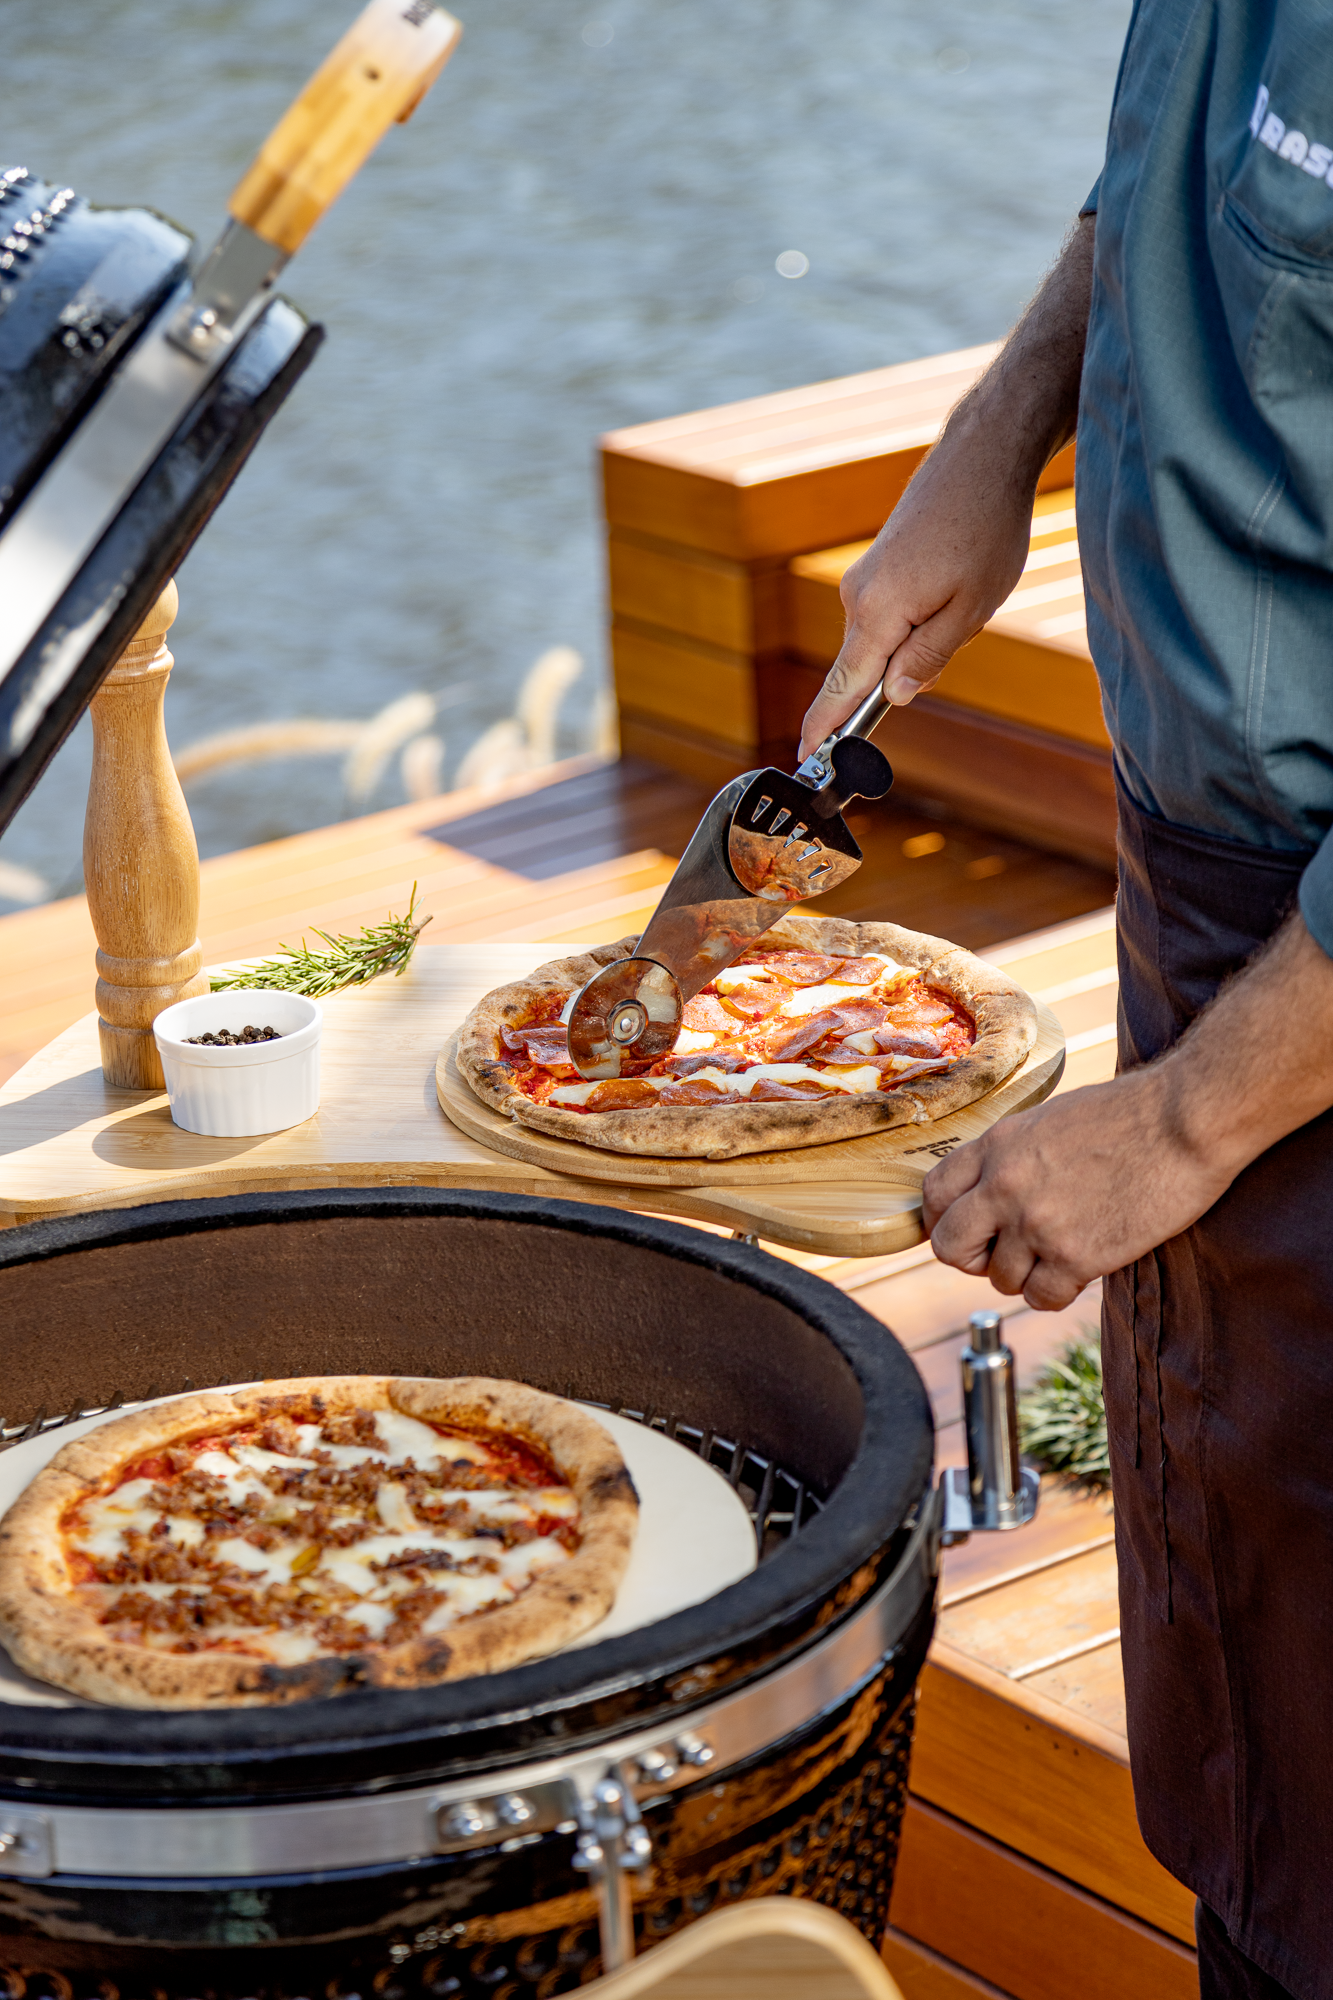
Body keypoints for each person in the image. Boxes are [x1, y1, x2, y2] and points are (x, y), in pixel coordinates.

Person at [797, 7, 1333, 1998]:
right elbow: (1175, 181)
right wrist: (1000, 426)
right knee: (1253, 1743)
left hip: (1300, 994)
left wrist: (1189, 1122)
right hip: (1219, 912)